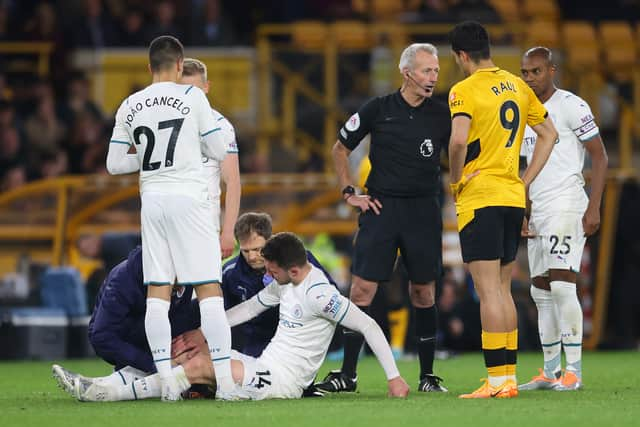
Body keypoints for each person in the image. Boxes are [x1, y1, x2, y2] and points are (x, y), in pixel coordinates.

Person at [55, 233, 410, 401]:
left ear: (293, 269)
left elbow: (367, 324)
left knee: (198, 369)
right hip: (264, 364)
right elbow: (251, 308)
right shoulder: (285, 284)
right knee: (189, 355)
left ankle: (108, 395)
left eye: (271, 269)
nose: (266, 274)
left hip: (283, 382)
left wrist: (394, 378)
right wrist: (202, 332)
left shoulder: (320, 294)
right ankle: (102, 383)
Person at [105, 35, 234, 401]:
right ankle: (224, 384)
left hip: (153, 200)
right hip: (189, 198)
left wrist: (145, 159)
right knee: (209, 288)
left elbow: (114, 164)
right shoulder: (193, 97)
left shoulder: (130, 104)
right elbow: (217, 149)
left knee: (157, 293)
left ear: (149, 68)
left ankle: (166, 385)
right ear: (180, 66)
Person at [319, 43, 450, 394]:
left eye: (436, 71)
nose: (432, 77)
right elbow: (339, 149)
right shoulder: (378, 109)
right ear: (407, 73)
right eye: (426, 71)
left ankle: (426, 376)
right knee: (362, 289)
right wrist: (350, 193)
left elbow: (462, 154)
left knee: (423, 292)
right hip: (381, 208)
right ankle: (348, 374)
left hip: (423, 210)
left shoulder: (442, 115)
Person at [447, 22, 558, 398]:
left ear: (461, 55)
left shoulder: (463, 90)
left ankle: (496, 381)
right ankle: (507, 377)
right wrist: (523, 182)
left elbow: (459, 140)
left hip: (481, 198)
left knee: (488, 292)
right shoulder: (517, 84)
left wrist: (456, 179)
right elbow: (549, 135)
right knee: (504, 290)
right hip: (512, 197)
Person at [517, 47, 608, 392]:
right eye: (525, 72)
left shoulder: (572, 105)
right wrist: (524, 212)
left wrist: (594, 206)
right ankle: (550, 371)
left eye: (536, 71)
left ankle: (574, 372)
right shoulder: (525, 111)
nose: (530, 78)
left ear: (552, 70)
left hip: (567, 203)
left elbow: (600, 157)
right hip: (538, 208)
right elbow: (527, 167)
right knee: (540, 291)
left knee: (561, 283)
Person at [53, 246, 202, 394]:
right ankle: (113, 384)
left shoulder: (183, 275)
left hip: (161, 340)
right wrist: (153, 363)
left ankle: (102, 386)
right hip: (130, 338)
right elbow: (101, 336)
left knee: (203, 310)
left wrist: (182, 350)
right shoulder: (123, 279)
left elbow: (180, 318)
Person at [217, 211, 337, 357]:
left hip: (297, 336)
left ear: (269, 241)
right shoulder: (230, 273)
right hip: (256, 342)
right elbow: (224, 316)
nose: (252, 257)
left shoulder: (300, 259)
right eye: (245, 251)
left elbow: (331, 292)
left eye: (257, 249)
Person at [180, 57, 241, 258]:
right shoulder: (163, 122)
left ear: (207, 87)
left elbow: (232, 182)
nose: (189, 96)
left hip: (204, 225)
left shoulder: (221, 127)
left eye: (195, 89)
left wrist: (228, 232)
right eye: (183, 89)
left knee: (205, 287)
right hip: (169, 223)